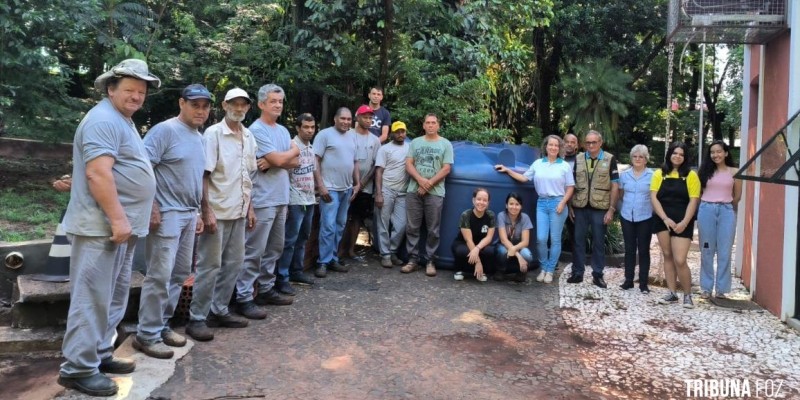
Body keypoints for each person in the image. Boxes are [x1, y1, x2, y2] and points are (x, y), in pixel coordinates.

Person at [58, 59, 160, 397]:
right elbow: (98, 174)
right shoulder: (103, 120)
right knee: (92, 299)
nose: (136, 96)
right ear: (111, 88)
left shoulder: (122, 120)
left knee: (112, 296)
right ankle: (78, 369)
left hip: (119, 228)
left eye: (141, 91)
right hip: (101, 227)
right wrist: (118, 220)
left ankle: (100, 354)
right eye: (129, 89)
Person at [133, 84, 210, 360]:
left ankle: (161, 325)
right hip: (166, 213)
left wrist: (200, 212)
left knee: (178, 275)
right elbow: (143, 168)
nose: (200, 110)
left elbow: (196, 178)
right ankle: (146, 335)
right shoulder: (165, 131)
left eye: (205, 106)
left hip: (189, 214)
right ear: (182, 103)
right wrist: (151, 205)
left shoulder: (199, 138)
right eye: (195, 104)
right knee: (159, 275)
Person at [186, 88, 257, 342]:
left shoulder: (248, 136)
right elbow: (204, 175)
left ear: (248, 108)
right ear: (225, 105)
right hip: (217, 210)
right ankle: (197, 318)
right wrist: (205, 211)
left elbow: (247, 176)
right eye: (234, 104)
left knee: (235, 263)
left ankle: (219, 310)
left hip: (238, 210)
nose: (238, 109)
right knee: (209, 265)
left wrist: (249, 207)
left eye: (243, 105)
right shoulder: (214, 134)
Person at [233, 84, 299, 318]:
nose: (278, 105)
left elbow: (295, 161)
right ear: (261, 104)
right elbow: (283, 157)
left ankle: (266, 289)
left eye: (280, 101)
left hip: (281, 197)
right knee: (254, 250)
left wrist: (277, 160)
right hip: (261, 199)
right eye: (273, 101)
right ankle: (244, 297)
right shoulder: (256, 130)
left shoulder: (281, 130)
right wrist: (281, 157)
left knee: (274, 248)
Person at [496, 135, 574, 284]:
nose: (553, 148)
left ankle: (550, 270)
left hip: (558, 202)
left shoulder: (564, 166)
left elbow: (570, 187)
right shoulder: (538, 163)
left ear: (559, 148)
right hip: (542, 203)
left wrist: (563, 202)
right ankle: (543, 268)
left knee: (555, 240)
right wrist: (507, 170)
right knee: (541, 239)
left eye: (556, 145)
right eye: (550, 145)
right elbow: (524, 178)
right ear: (546, 147)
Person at [400, 113, 454, 277]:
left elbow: (446, 168)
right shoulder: (415, 142)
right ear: (423, 125)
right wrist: (421, 180)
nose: (430, 125)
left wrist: (428, 184)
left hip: (435, 193)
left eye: (433, 123)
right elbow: (408, 164)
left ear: (438, 125)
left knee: (433, 230)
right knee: (412, 227)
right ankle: (413, 260)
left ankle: (430, 261)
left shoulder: (446, 144)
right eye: (428, 123)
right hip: (414, 191)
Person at [567, 130, 619, 288]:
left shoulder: (610, 159)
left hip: (600, 207)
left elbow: (615, 185)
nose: (590, 145)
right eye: (587, 143)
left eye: (594, 142)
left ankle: (598, 274)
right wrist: (569, 206)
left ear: (600, 143)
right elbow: (571, 183)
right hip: (580, 206)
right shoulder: (579, 158)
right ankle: (577, 272)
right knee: (578, 241)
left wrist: (611, 209)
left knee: (598, 242)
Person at [651, 141, 700, 309]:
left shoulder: (691, 175)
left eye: (681, 154)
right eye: (675, 153)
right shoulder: (659, 173)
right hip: (663, 219)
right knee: (667, 255)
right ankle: (672, 292)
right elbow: (654, 197)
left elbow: (694, 200)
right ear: (669, 154)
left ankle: (687, 295)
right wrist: (665, 218)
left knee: (680, 259)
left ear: (685, 158)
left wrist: (685, 222)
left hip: (682, 220)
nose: (677, 156)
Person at [313, 107, 360, 278]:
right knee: (328, 226)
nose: (346, 122)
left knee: (340, 225)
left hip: (346, 189)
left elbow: (355, 162)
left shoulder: (353, 136)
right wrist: (321, 185)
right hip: (329, 189)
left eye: (349, 119)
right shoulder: (324, 135)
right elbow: (315, 160)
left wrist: (357, 183)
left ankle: (332, 258)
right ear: (335, 119)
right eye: (343, 119)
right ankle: (322, 262)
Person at [697, 140, 741, 299]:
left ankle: (721, 290)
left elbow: (737, 197)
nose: (716, 155)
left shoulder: (735, 171)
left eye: (719, 151)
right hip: (706, 210)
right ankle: (706, 288)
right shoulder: (704, 172)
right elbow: (699, 193)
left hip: (726, 212)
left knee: (725, 250)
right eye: (712, 152)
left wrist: (724, 204)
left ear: (726, 153)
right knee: (707, 250)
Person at [279, 113, 318, 287]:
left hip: (309, 199)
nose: (310, 131)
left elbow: (313, 171)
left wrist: (319, 190)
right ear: (298, 128)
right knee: (290, 240)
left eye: (312, 127)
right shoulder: (291, 146)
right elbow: (284, 172)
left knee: (303, 238)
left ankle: (297, 271)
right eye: (306, 127)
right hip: (294, 200)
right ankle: (282, 277)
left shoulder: (311, 148)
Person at [339, 105, 380, 260]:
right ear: (357, 118)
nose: (368, 120)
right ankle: (337, 251)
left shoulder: (375, 140)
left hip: (365, 187)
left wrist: (362, 183)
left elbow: (375, 165)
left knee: (357, 218)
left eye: (370, 118)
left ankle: (350, 250)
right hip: (345, 183)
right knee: (341, 217)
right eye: (365, 117)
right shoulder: (347, 134)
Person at [617, 144, 654, 293]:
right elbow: (620, 194)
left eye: (641, 157)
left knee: (644, 250)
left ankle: (643, 283)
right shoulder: (624, 175)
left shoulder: (652, 175)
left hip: (645, 216)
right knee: (629, 249)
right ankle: (628, 280)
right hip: (627, 216)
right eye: (635, 156)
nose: (638, 159)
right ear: (631, 158)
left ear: (646, 159)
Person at [374, 121, 410, 268]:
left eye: (403, 131)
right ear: (392, 134)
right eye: (397, 132)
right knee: (383, 223)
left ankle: (393, 250)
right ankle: (386, 255)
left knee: (402, 225)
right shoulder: (385, 149)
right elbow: (379, 171)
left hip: (403, 192)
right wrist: (378, 193)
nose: (401, 134)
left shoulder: (410, 148)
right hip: (386, 189)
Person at [451, 188, 496, 281]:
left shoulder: (491, 215)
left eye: (485, 200)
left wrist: (477, 248)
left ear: (488, 203)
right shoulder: (466, 215)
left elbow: (489, 237)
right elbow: (468, 240)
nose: (481, 202)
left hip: (480, 245)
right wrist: (478, 262)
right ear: (473, 200)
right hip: (464, 244)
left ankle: (479, 271)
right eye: (479, 199)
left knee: (490, 251)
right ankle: (460, 269)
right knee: (462, 251)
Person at [494, 192, 534, 282]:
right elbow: (503, 240)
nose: (514, 207)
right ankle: (500, 271)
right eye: (511, 204)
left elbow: (525, 242)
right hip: (504, 245)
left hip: (519, 246)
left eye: (517, 204)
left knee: (527, 255)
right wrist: (518, 256)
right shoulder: (501, 216)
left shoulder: (525, 218)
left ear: (521, 206)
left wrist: (514, 249)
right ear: (506, 205)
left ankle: (522, 272)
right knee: (502, 251)